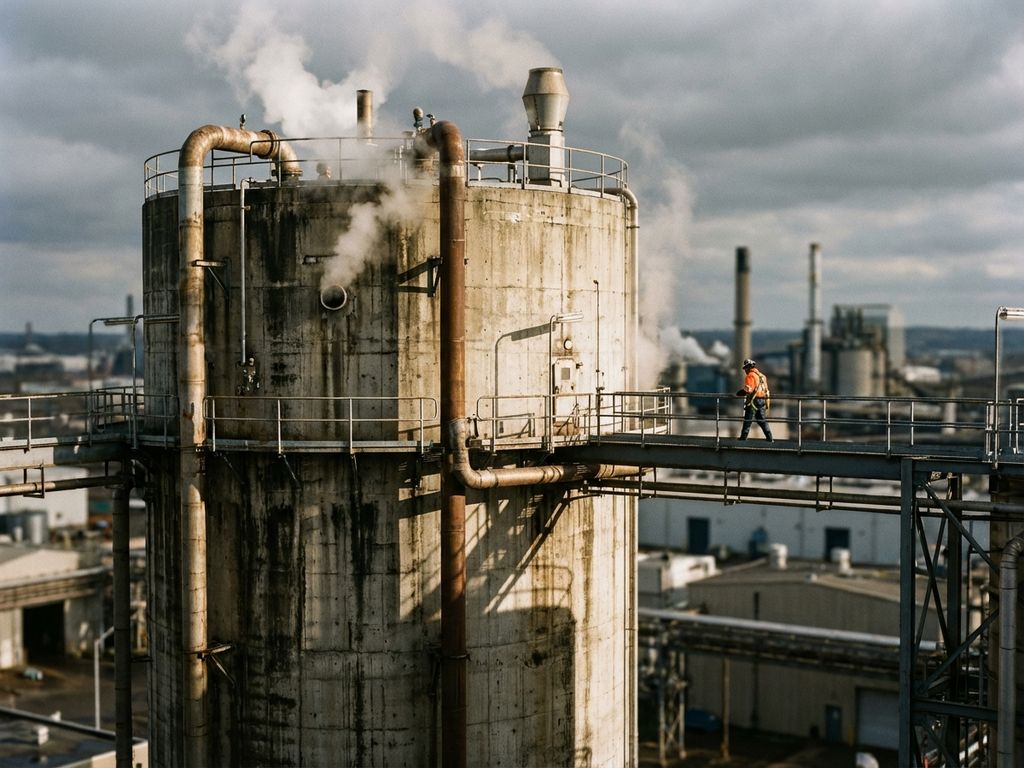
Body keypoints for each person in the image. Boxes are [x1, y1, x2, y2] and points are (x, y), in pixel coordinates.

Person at [735, 358, 773, 441]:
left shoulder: (750, 376)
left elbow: (748, 390)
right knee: (762, 420)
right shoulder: (762, 376)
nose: (745, 371)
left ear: (748, 368)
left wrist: (739, 393)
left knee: (748, 419)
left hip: (753, 401)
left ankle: (743, 438)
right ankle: (770, 438)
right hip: (762, 400)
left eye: (745, 369)